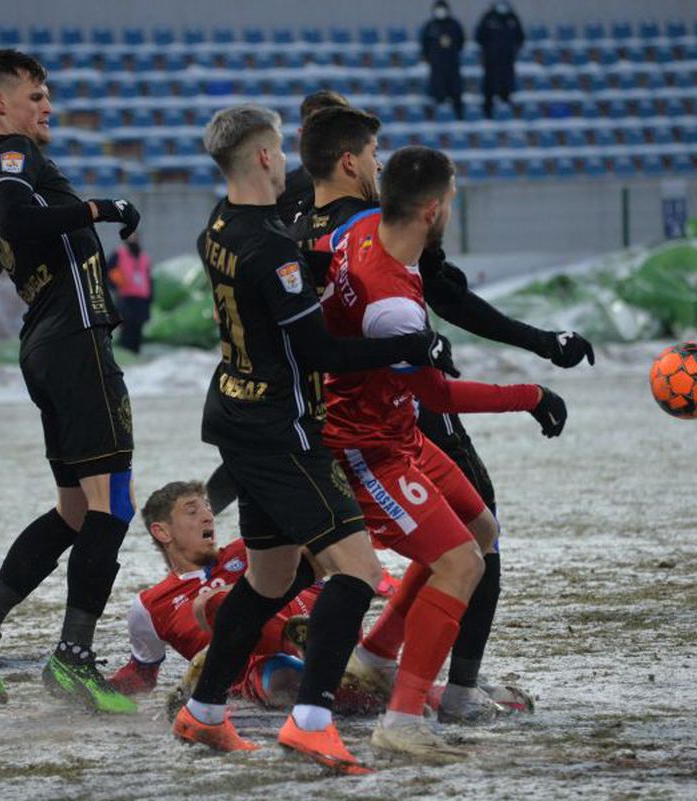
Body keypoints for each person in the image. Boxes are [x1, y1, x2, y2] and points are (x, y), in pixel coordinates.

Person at [287, 104, 594, 725]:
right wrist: (531, 392)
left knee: (477, 533)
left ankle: (377, 656)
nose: (376, 161)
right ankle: (409, 714)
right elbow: (440, 390)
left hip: (376, 417)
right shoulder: (385, 278)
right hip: (368, 436)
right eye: (372, 151)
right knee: (454, 559)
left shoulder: (334, 225)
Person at [171, 103, 453, 773]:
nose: (291, 163)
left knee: (269, 578)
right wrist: (415, 343)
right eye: (281, 151)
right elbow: (319, 351)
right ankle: (312, 721)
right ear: (266, 157)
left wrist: (313, 269)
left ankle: (205, 712)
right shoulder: (271, 250)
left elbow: (276, 286)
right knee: (357, 569)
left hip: (234, 415)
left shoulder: (221, 222)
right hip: (281, 430)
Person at [0, 49, 143, 714]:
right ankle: (73, 656)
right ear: (0, 102)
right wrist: (99, 207)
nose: (47, 107)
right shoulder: (9, 154)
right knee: (113, 500)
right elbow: (21, 214)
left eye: (47, 95)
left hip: (45, 343)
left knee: (76, 510)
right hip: (76, 337)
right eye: (35, 96)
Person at [108, 481, 318, 706]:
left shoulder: (251, 549)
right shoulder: (149, 605)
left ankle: (317, 646)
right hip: (271, 677)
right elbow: (141, 674)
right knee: (271, 668)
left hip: (322, 621)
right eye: (192, 511)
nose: (208, 516)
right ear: (163, 532)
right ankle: (325, 670)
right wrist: (97, 689)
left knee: (220, 601)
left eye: (208, 507)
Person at [275, 90, 350, 226]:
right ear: (301, 134)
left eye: (334, 129)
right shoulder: (279, 193)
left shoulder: (366, 194)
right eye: (318, 129)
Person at [475, 1, 525, 118]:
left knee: (506, 90)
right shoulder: (488, 17)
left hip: (507, 62)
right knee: (489, 90)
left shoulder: (512, 18)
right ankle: (487, 116)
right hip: (491, 62)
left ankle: (506, 115)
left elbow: (520, 37)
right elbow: (479, 37)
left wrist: (513, 50)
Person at [420, 0, 466, 120]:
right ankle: (435, 119)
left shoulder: (454, 25)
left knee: (456, 92)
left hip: (453, 65)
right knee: (437, 93)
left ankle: (459, 118)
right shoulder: (430, 26)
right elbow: (425, 44)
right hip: (437, 66)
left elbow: (461, 41)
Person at [111, 232, 152, 353]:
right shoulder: (119, 254)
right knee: (127, 330)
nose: (133, 239)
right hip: (126, 298)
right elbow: (109, 271)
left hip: (141, 300)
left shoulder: (144, 257)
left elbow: (149, 279)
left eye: (135, 237)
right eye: (130, 237)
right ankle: (127, 356)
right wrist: (118, 284)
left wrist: (149, 298)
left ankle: (136, 356)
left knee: (137, 331)